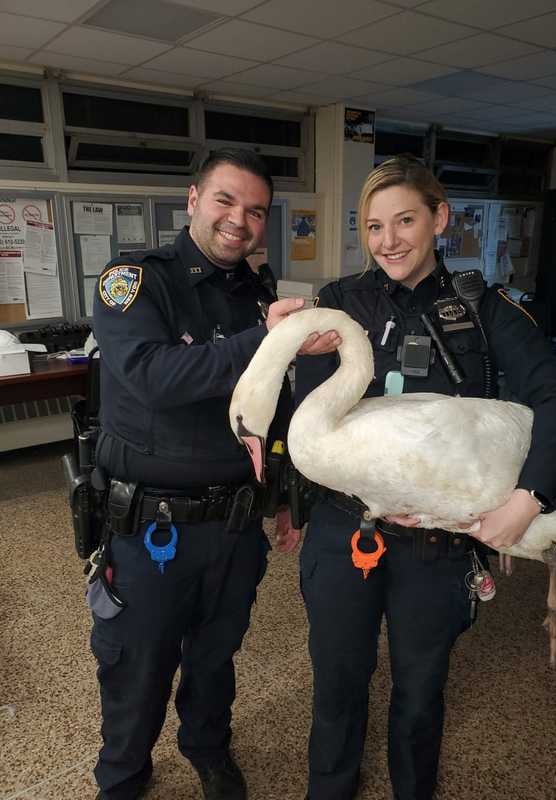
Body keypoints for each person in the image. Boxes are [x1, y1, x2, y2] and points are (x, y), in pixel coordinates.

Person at [294, 154, 556, 800]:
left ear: (440, 219)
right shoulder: (341, 305)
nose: (389, 241)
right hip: (346, 532)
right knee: (337, 684)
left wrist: (527, 499)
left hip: (436, 549)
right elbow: (309, 423)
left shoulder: (487, 312)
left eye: (405, 220)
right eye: (374, 226)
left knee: (420, 694)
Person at [90, 148, 339, 800]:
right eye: (227, 200)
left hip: (234, 525)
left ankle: (206, 746)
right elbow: (150, 377)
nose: (240, 220)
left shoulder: (256, 293)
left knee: (215, 653)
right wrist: (265, 337)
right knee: (139, 664)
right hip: (151, 528)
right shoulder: (136, 280)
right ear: (194, 199)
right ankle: (123, 776)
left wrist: (290, 497)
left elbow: (276, 408)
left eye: (256, 210)